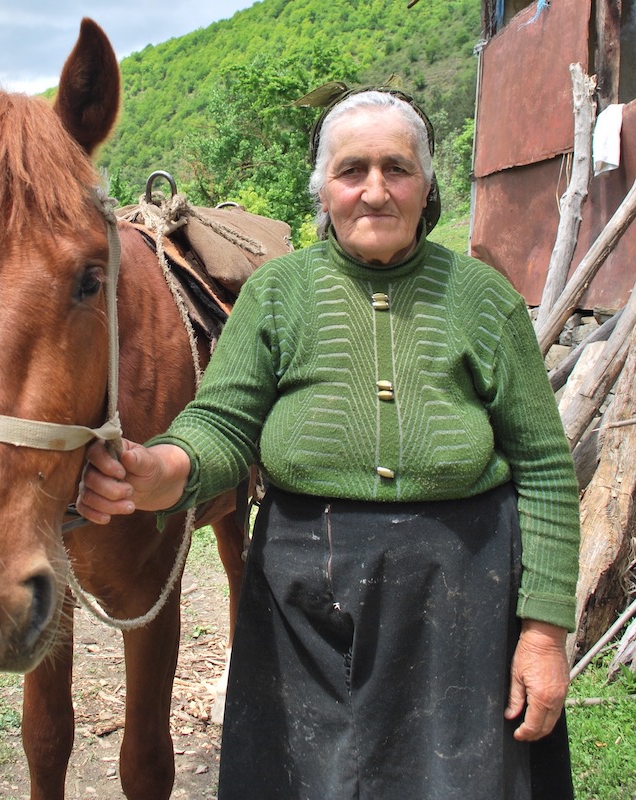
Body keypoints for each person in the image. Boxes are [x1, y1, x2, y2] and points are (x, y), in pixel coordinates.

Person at [77, 88, 580, 799]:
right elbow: (222, 425)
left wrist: (544, 632)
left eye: (397, 169)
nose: (375, 191)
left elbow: (546, 470)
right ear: (323, 190)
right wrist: (160, 468)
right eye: (352, 171)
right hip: (304, 600)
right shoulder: (277, 293)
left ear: (427, 185)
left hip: (463, 602)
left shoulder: (482, 299)